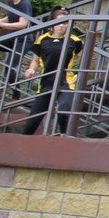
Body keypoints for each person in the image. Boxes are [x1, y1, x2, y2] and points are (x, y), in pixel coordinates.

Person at [21, 7, 83, 135]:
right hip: (46, 82)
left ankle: (65, 138)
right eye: (60, 22)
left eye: (65, 22)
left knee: (64, 111)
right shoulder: (42, 39)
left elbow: (84, 58)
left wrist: (79, 73)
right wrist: (31, 69)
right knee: (33, 120)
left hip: (66, 81)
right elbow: (35, 60)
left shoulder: (74, 41)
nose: (62, 25)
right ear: (53, 23)